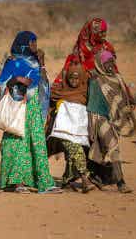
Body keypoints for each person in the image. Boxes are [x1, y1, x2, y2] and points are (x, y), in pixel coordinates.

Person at [0, 31, 62, 194]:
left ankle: (44, 182)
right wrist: (17, 80)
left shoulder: (36, 62)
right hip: (18, 108)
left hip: (33, 108)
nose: (35, 46)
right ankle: (18, 182)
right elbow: (2, 84)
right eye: (32, 43)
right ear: (24, 44)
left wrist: (42, 63)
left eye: (36, 42)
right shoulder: (12, 62)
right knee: (18, 144)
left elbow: (44, 83)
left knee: (39, 144)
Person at [87, 50, 136, 194]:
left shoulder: (117, 78)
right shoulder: (95, 79)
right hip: (99, 118)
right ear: (100, 64)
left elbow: (122, 98)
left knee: (104, 150)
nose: (110, 65)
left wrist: (128, 107)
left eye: (111, 62)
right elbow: (92, 105)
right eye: (107, 62)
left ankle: (96, 177)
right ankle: (121, 182)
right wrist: (92, 125)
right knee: (113, 147)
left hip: (114, 119)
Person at [47, 61, 94, 193]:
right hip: (63, 131)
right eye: (71, 78)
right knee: (77, 151)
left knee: (71, 157)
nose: (73, 81)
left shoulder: (85, 93)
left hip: (78, 131)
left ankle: (66, 181)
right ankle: (85, 180)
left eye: (76, 78)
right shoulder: (59, 91)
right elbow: (50, 103)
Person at [55, 17, 116, 84]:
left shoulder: (107, 46)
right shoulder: (83, 47)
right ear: (93, 33)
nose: (104, 35)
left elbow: (112, 65)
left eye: (105, 31)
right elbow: (77, 67)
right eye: (101, 32)